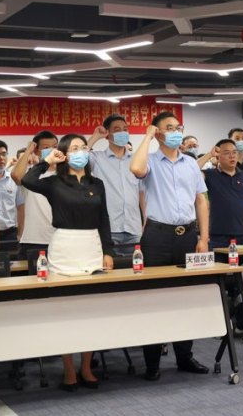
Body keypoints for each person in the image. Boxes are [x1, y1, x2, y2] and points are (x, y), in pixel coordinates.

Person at [22, 133, 115, 391]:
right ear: (64, 153)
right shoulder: (54, 182)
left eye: (83, 147)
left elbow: (104, 218)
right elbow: (27, 180)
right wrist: (48, 161)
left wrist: (108, 251)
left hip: (92, 246)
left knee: (90, 310)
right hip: (64, 246)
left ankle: (86, 367)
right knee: (65, 310)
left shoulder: (97, 183)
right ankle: (69, 368)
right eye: (74, 148)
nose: (80, 151)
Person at [130, 111, 211, 380]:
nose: (176, 132)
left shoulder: (191, 163)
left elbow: (201, 200)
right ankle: (152, 362)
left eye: (178, 127)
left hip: (187, 235)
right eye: (169, 128)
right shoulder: (151, 161)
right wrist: (147, 137)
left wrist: (203, 237)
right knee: (154, 300)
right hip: (157, 236)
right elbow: (136, 169)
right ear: (158, 132)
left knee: (186, 299)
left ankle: (184, 357)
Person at [87, 114, 144, 257]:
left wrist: (145, 223)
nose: (123, 133)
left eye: (125, 129)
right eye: (117, 130)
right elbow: (80, 158)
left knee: (137, 267)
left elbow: (142, 193)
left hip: (134, 227)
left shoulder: (136, 160)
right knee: (109, 267)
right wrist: (95, 137)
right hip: (109, 228)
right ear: (107, 134)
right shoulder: (98, 158)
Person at [12, 130, 59, 260]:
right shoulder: (30, 175)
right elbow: (16, 176)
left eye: (55, 146)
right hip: (34, 239)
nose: (52, 150)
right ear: (37, 151)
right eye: (46, 147)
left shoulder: (64, 174)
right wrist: (28, 150)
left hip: (60, 238)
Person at [202, 138, 243, 246]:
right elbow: (191, 171)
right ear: (218, 157)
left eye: (234, 152)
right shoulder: (209, 175)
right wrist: (209, 155)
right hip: (218, 235)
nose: (232, 156)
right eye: (227, 153)